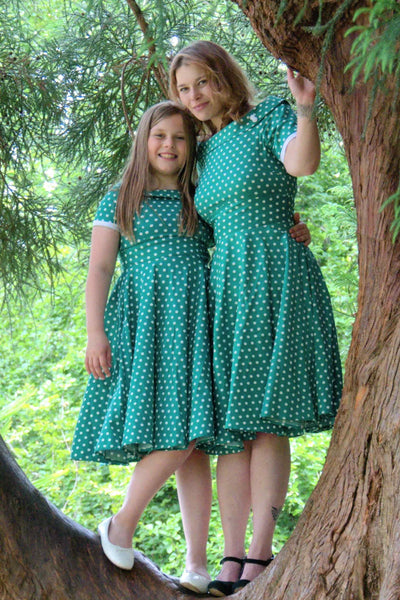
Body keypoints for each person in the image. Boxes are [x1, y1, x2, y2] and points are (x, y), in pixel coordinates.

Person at [169, 40, 343, 596]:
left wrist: (305, 110)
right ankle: (229, 557)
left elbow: (301, 162)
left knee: (266, 419)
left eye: (202, 82)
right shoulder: (201, 152)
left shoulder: (268, 114)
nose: (194, 96)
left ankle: (260, 557)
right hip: (227, 287)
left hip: (274, 270)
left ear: (223, 76)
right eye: (183, 89)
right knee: (232, 430)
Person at [70, 101, 216, 577]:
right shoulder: (120, 198)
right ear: (143, 139)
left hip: (195, 323)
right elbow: (100, 266)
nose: (168, 145)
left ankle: (197, 564)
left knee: (195, 443)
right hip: (145, 322)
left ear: (191, 145)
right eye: (160, 135)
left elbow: (237, 227)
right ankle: (122, 524)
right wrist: (95, 332)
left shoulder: (200, 196)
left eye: (179, 137)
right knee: (182, 436)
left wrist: (292, 228)